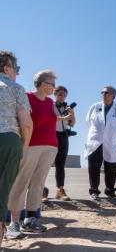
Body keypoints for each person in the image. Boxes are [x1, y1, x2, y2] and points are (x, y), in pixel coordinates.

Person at [7, 69, 61, 238]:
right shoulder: (27, 97)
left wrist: (64, 118)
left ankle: (30, 219)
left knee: (38, 183)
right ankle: (13, 223)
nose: (55, 87)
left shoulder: (50, 102)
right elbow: (22, 121)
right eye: (52, 84)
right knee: (21, 182)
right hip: (30, 145)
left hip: (50, 146)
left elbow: (49, 121)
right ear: (43, 84)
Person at [0, 51, 33, 248]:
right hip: (8, 140)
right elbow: (26, 124)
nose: (17, 74)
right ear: (7, 68)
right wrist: (24, 147)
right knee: (2, 191)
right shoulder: (15, 88)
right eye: (16, 69)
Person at [84, 86, 116, 201]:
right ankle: (94, 191)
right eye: (102, 92)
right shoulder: (95, 107)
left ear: (113, 95)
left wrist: (111, 134)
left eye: (106, 92)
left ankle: (110, 190)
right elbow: (88, 121)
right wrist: (99, 132)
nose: (103, 94)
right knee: (94, 166)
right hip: (95, 140)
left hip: (111, 140)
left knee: (111, 167)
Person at [53, 86, 76, 201]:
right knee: (45, 164)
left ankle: (60, 190)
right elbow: (50, 118)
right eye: (60, 94)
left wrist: (72, 114)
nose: (62, 97)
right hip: (52, 136)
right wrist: (64, 117)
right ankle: (41, 190)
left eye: (65, 95)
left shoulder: (66, 107)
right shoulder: (50, 105)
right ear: (55, 94)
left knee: (60, 164)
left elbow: (72, 123)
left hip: (64, 136)